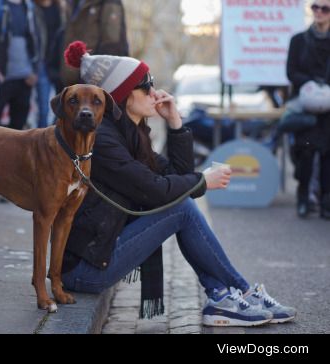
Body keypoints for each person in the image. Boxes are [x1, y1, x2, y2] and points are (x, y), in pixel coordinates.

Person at [60, 41, 297, 327]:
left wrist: (175, 122)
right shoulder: (105, 140)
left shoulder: (132, 136)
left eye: (152, 83)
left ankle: (222, 294)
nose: (153, 92)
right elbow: (157, 189)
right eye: (145, 85)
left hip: (99, 252)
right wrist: (201, 181)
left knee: (181, 206)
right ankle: (239, 290)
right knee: (181, 209)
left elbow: (174, 173)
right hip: (83, 268)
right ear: (123, 95)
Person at [287, 0, 330, 219]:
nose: (320, 12)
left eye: (325, 8)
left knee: (327, 157)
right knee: (305, 153)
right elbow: (291, 72)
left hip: (329, 111)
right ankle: (303, 198)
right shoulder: (298, 40)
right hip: (306, 106)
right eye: (316, 7)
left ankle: (326, 202)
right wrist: (311, 84)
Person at [0, 0, 40, 130]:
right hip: (1, 77)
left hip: (25, 77)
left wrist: (35, 70)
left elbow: (38, 40)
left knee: (18, 128)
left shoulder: (29, 7)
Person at [59, 0, 129, 87]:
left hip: (94, 80)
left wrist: (93, 75)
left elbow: (112, 45)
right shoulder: (74, 3)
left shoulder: (109, 3)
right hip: (72, 77)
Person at [34, 0, 65, 127]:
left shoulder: (61, 8)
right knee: (43, 108)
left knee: (61, 108)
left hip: (60, 63)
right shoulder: (32, 8)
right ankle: (40, 140)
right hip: (42, 62)